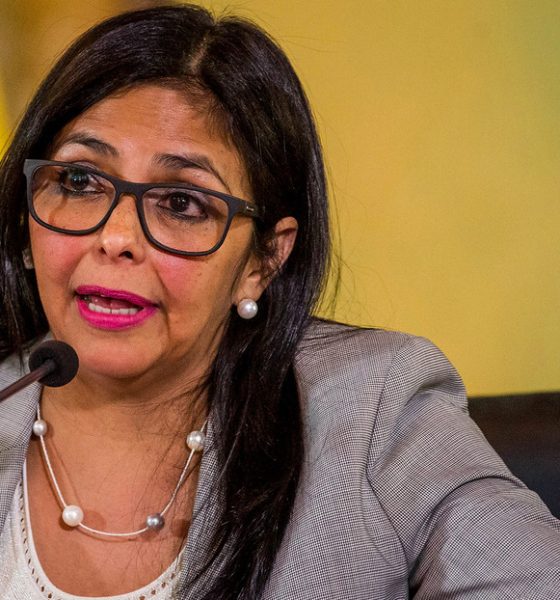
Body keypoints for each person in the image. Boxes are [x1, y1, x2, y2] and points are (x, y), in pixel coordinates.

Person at [0, 4, 558, 599]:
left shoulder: (373, 411)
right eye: (80, 182)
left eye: (182, 203)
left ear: (262, 261)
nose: (116, 238)